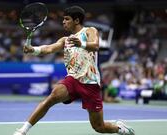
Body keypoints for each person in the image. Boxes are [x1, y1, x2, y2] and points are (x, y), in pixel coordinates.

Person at [13, 6, 135, 135]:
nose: (63, 22)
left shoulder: (89, 31)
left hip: (90, 83)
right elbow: (49, 48)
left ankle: (119, 128)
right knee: (52, 97)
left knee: (99, 127)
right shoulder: (65, 40)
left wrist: (81, 44)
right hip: (73, 79)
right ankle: (23, 130)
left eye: (67, 19)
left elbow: (96, 45)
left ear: (76, 21)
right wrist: (33, 49)